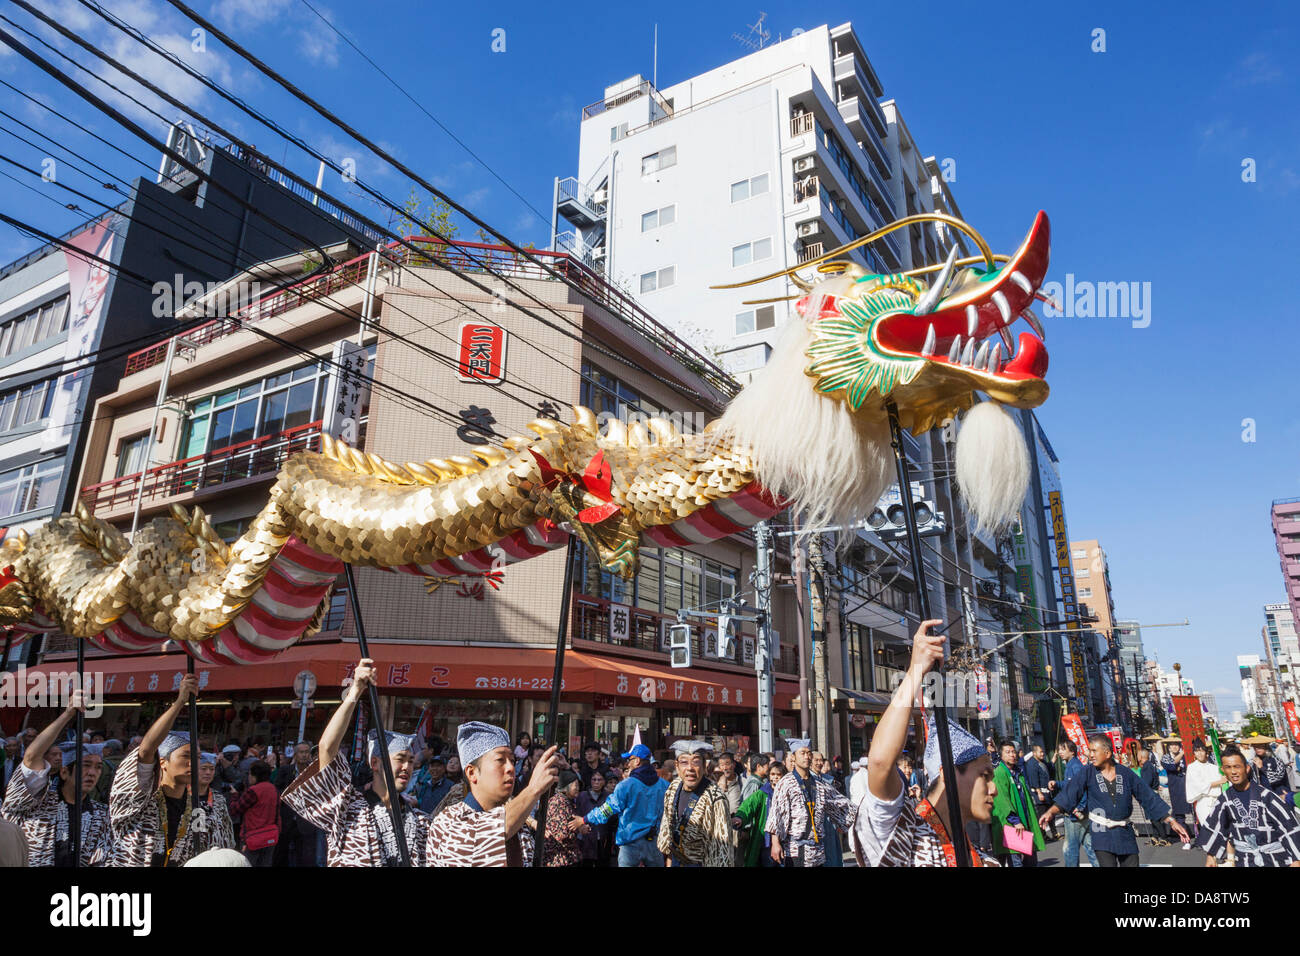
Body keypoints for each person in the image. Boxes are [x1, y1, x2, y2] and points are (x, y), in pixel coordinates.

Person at [851, 620, 1001, 867]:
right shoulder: (902, 831)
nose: (993, 788)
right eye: (984, 775)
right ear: (948, 774)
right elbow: (880, 762)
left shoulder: (983, 860)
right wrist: (915, 672)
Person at [281, 659, 430, 866]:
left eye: (412, 761)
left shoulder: (422, 821)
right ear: (375, 763)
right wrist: (355, 691)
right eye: (400, 759)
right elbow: (326, 749)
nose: (407, 767)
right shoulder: (348, 807)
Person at [108, 675, 233, 867]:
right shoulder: (140, 799)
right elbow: (146, 749)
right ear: (163, 762)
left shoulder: (206, 808)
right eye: (186, 756)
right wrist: (180, 702)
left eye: (198, 757)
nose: (194, 763)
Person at [1040, 734, 1189, 867]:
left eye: (1094, 751)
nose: (1090, 755)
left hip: (1125, 831)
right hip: (1101, 832)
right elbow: (1070, 793)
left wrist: (1171, 820)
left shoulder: (1125, 773)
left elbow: (1147, 796)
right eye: (1089, 751)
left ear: (1107, 753)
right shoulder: (1087, 772)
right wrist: (1051, 812)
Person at [0, 690, 112, 867]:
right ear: (65, 772)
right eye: (86, 765)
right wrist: (67, 714)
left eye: (98, 767)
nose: (92, 772)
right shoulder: (36, 802)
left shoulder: (101, 814)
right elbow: (31, 758)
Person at [427, 721, 558, 866]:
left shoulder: (521, 830)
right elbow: (484, 835)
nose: (510, 768)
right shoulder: (447, 824)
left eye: (512, 760)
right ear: (472, 772)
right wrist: (533, 789)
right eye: (500, 760)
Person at [1201, 746, 1300, 867]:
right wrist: (1211, 856)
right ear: (1223, 770)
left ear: (1247, 768)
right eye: (1228, 767)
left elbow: (1289, 828)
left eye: (1237, 766)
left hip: (1274, 859)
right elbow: (1215, 826)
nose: (1233, 772)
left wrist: (1296, 859)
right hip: (1244, 859)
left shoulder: (1267, 797)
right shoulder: (1224, 800)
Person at [572, 743, 667, 867]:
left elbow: (608, 809)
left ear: (637, 761)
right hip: (654, 843)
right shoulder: (664, 785)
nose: (627, 763)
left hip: (630, 845)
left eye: (630, 760)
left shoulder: (626, 785)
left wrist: (585, 819)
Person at [766, 738, 854, 868]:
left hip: (818, 850)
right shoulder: (785, 783)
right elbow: (776, 814)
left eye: (809, 753)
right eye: (802, 753)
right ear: (794, 757)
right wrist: (775, 843)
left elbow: (840, 802)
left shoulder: (820, 784)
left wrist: (859, 813)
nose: (807, 756)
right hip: (795, 849)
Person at [657, 740, 734, 867]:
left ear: (704, 766)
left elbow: (722, 846)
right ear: (677, 766)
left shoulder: (715, 798)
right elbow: (668, 827)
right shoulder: (674, 787)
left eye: (696, 762)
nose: (690, 768)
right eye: (684, 762)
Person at [733, 760, 785, 867]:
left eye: (778, 774)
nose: (775, 777)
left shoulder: (788, 793)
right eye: (772, 774)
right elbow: (748, 806)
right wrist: (740, 817)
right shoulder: (762, 793)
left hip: (785, 841)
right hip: (765, 841)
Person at [230, 760, 280, 866]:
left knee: (247, 864)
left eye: (249, 774)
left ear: (255, 776)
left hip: (252, 838)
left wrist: (234, 795)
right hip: (270, 836)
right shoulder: (273, 788)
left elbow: (236, 809)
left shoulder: (253, 791)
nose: (248, 777)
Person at [1184, 738, 1225, 850]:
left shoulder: (1214, 767)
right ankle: (1213, 853)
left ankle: (1220, 853)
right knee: (1209, 828)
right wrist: (1218, 782)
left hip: (1217, 800)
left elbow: (1223, 782)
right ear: (1194, 753)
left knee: (1220, 828)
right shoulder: (1192, 767)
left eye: (1202, 750)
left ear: (1206, 752)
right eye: (1197, 751)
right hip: (1204, 801)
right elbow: (1199, 786)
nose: (1200, 753)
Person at [194, 753, 236, 851]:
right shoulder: (184, 798)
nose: (208, 772)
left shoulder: (219, 798)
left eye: (212, 769)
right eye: (203, 768)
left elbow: (227, 830)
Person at [541, 769, 583, 866]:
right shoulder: (558, 803)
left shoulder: (567, 801)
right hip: (558, 858)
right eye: (575, 785)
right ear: (565, 787)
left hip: (568, 856)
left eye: (578, 785)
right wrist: (579, 828)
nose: (578, 788)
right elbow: (561, 834)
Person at [574, 769, 612, 866]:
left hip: (603, 840)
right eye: (594, 779)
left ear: (604, 782)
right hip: (585, 840)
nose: (596, 782)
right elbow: (576, 814)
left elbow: (613, 819)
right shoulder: (582, 796)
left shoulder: (608, 797)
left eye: (599, 780)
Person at [1023, 745, 1055, 842]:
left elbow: (1049, 767)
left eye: (1042, 752)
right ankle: (1043, 836)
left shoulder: (1042, 762)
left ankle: (1054, 833)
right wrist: (1039, 792)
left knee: (1050, 813)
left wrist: (1054, 758)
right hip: (1039, 793)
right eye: (1040, 752)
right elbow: (1034, 779)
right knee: (1041, 815)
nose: (1042, 754)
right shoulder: (1032, 764)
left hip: (1047, 793)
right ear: (1034, 753)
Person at [1159, 738, 1192, 830]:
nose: (1174, 747)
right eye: (1172, 745)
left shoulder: (1186, 757)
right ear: (1169, 747)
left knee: (1194, 812)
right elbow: (1172, 766)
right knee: (1179, 814)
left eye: (1176, 745)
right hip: (1176, 788)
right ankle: (1185, 838)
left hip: (1188, 786)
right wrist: (1182, 753)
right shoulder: (1166, 757)